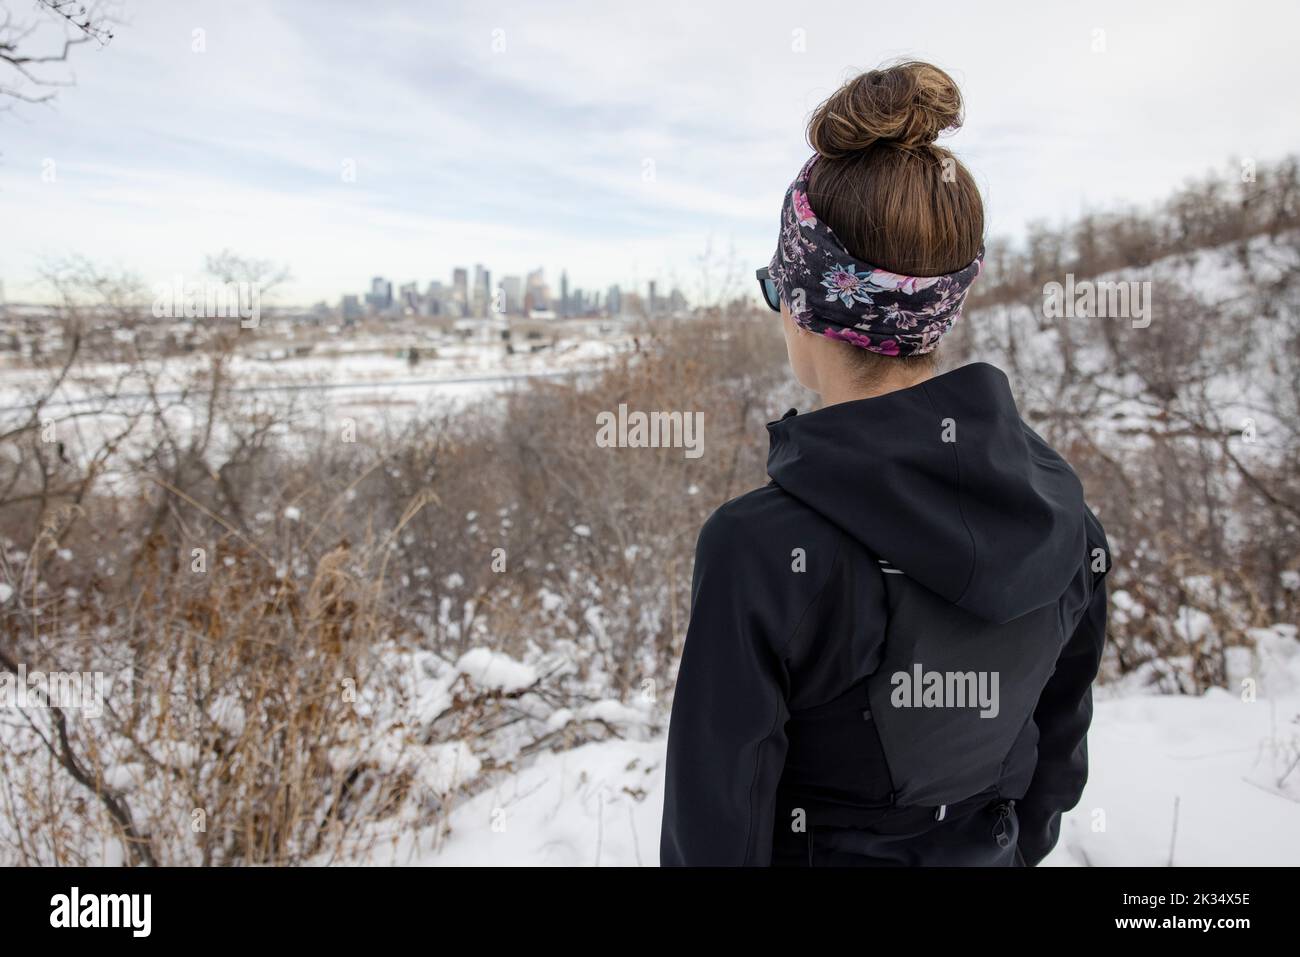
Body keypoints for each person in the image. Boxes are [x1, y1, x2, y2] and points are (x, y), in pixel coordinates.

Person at [660, 60, 1110, 867]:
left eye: (776, 285)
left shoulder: (758, 551)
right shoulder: (1067, 518)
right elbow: (1055, 757)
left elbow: (713, 838)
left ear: (803, 304)